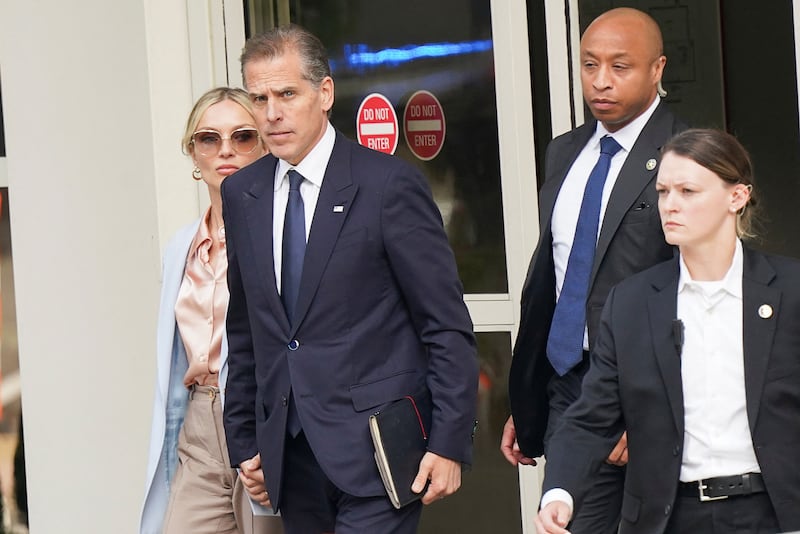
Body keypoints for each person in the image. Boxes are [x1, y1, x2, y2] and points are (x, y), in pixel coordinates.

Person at [220, 24, 478, 534]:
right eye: (260, 97)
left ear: (325, 93)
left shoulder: (387, 185)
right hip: (290, 458)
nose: (272, 113)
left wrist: (448, 440)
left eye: (287, 94)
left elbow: (444, 325)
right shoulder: (243, 194)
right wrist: (245, 441)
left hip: (379, 453)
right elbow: (246, 328)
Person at [535, 128, 800, 533]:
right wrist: (559, 493)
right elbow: (591, 417)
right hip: (670, 517)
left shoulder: (790, 292)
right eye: (662, 191)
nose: (669, 205)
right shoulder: (632, 304)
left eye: (688, 191)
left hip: (773, 513)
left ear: (737, 197)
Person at [501, 7, 687, 532]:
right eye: (589, 65)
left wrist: (659, 405)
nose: (601, 81)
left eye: (620, 67)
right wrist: (529, 395)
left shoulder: (687, 153)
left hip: (648, 394)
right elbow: (556, 281)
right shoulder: (565, 152)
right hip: (568, 390)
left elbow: (698, 286)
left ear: (657, 70)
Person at [140, 86, 284, 534]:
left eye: (243, 136)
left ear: (264, 146)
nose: (225, 150)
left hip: (265, 422)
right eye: (208, 138)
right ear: (192, 154)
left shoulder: (284, 236)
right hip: (201, 428)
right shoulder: (181, 245)